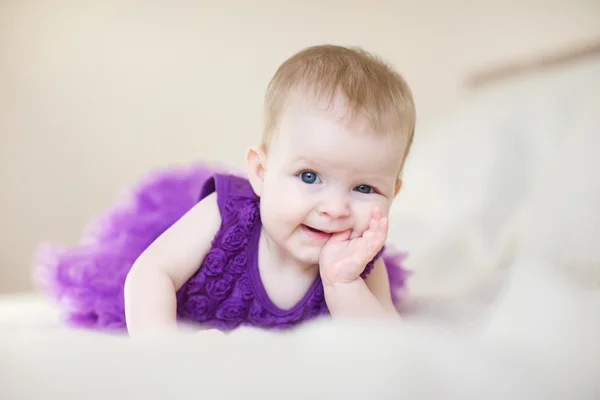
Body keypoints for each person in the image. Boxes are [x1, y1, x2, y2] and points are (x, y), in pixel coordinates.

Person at [33, 44, 416, 335]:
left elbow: (383, 344)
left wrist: (341, 282)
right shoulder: (225, 216)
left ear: (392, 195)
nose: (335, 208)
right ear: (262, 172)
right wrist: (162, 346)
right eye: (310, 177)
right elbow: (151, 273)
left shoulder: (361, 263)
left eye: (364, 188)